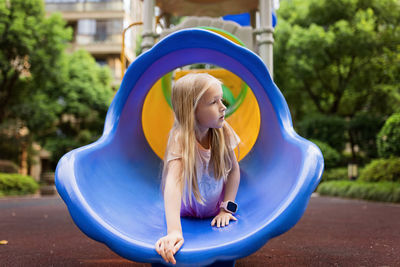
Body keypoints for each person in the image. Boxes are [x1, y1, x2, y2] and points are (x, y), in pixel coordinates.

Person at [155, 73, 241, 265]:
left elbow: (234, 171)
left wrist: (227, 208)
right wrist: (174, 231)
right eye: (213, 102)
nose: (223, 107)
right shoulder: (180, 138)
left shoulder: (222, 130)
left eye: (221, 100)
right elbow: (173, 183)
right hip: (187, 208)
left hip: (213, 207)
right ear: (191, 110)